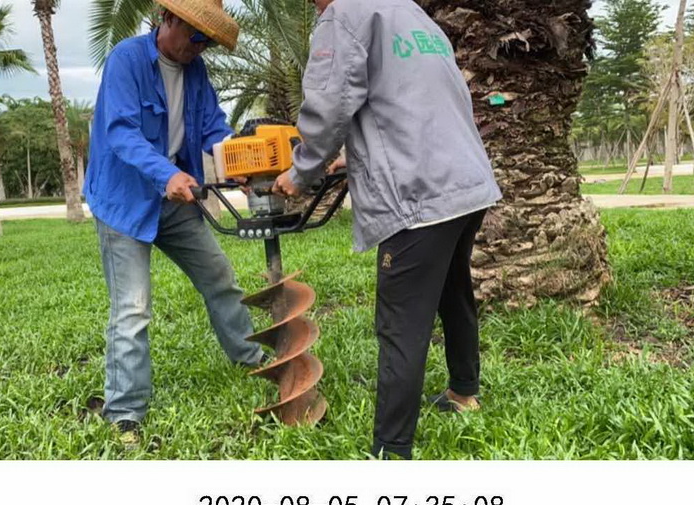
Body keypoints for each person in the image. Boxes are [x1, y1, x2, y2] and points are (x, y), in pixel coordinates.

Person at [273, 0, 503, 459]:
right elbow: (409, 102)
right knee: (453, 292)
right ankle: (464, 393)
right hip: (465, 182)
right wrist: (353, 156)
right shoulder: (412, 15)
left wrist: (299, 173)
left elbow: (330, 106)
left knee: (400, 324)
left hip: (418, 192)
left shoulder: (343, 16)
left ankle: (391, 450)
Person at [84, 0, 264, 445]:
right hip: (125, 200)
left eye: (208, 41)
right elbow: (121, 132)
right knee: (132, 308)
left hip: (175, 197)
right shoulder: (127, 59)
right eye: (196, 35)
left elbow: (214, 127)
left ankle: (253, 361)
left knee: (220, 277)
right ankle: (124, 413)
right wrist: (167, 175)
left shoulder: (196, 72)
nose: (200, 47)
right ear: (168, 18)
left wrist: (237, 160)